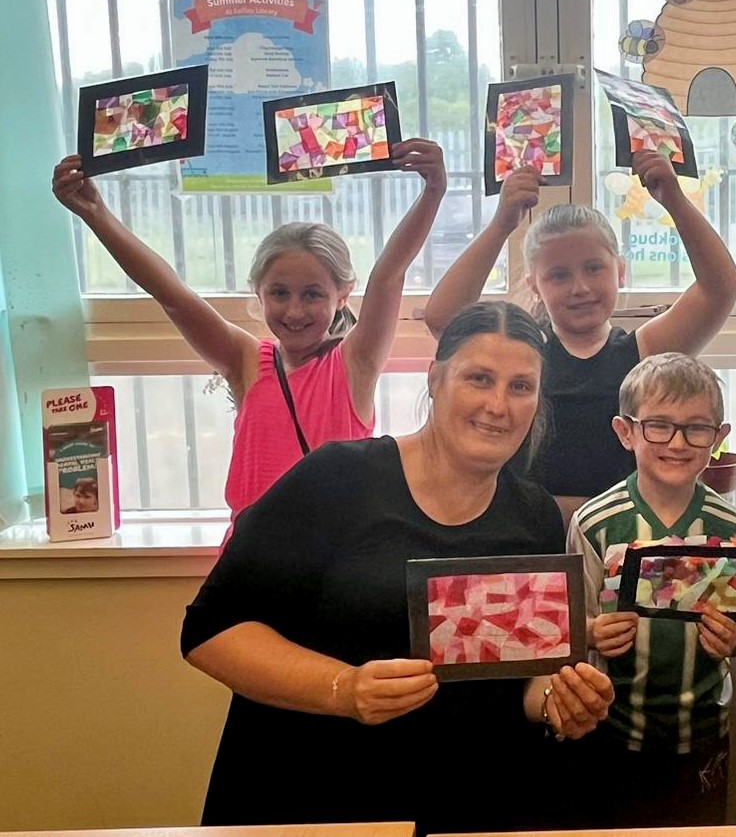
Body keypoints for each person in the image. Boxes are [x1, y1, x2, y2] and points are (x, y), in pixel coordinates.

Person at [180, 302, 614, 834]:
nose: (498, 405)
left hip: (469, 806)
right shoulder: (337, 479)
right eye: (479, 378)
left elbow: (522, 673)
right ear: (435, 379)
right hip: (314, 801)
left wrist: (557, 701)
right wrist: (344, 688)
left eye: (520, 387)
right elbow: (211, 632)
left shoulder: (534, 515)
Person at [53, 139, 447, 517]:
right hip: (249, 562)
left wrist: (432, 194)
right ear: (257, 292)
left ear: (343, 295)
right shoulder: (245, 359)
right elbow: (170, 293)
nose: (294, 310)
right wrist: (96, 215)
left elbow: (389, 276)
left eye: (312, 295)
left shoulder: (353, 364)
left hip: (332, 563)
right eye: (279, 292)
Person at [424, 152, 736, 523]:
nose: (580, 288)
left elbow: (720, 287)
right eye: (558, 275)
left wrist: (672, 198)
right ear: (535, 286)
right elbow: (444, 319)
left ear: (619, 271)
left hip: (619, 539)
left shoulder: (645, 353)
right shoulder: (524, 353)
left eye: (593, 268)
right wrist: (501, 225)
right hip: (530, 536)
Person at [567, 352, 736, 827]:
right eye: (659, 426)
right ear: (625, 431)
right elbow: (571, 624)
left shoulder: (729, 524)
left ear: (718, 438)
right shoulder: (595, 523)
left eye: (696, 428)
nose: (677, 442)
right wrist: (592, 633)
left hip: (704, 733)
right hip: (612, 733)